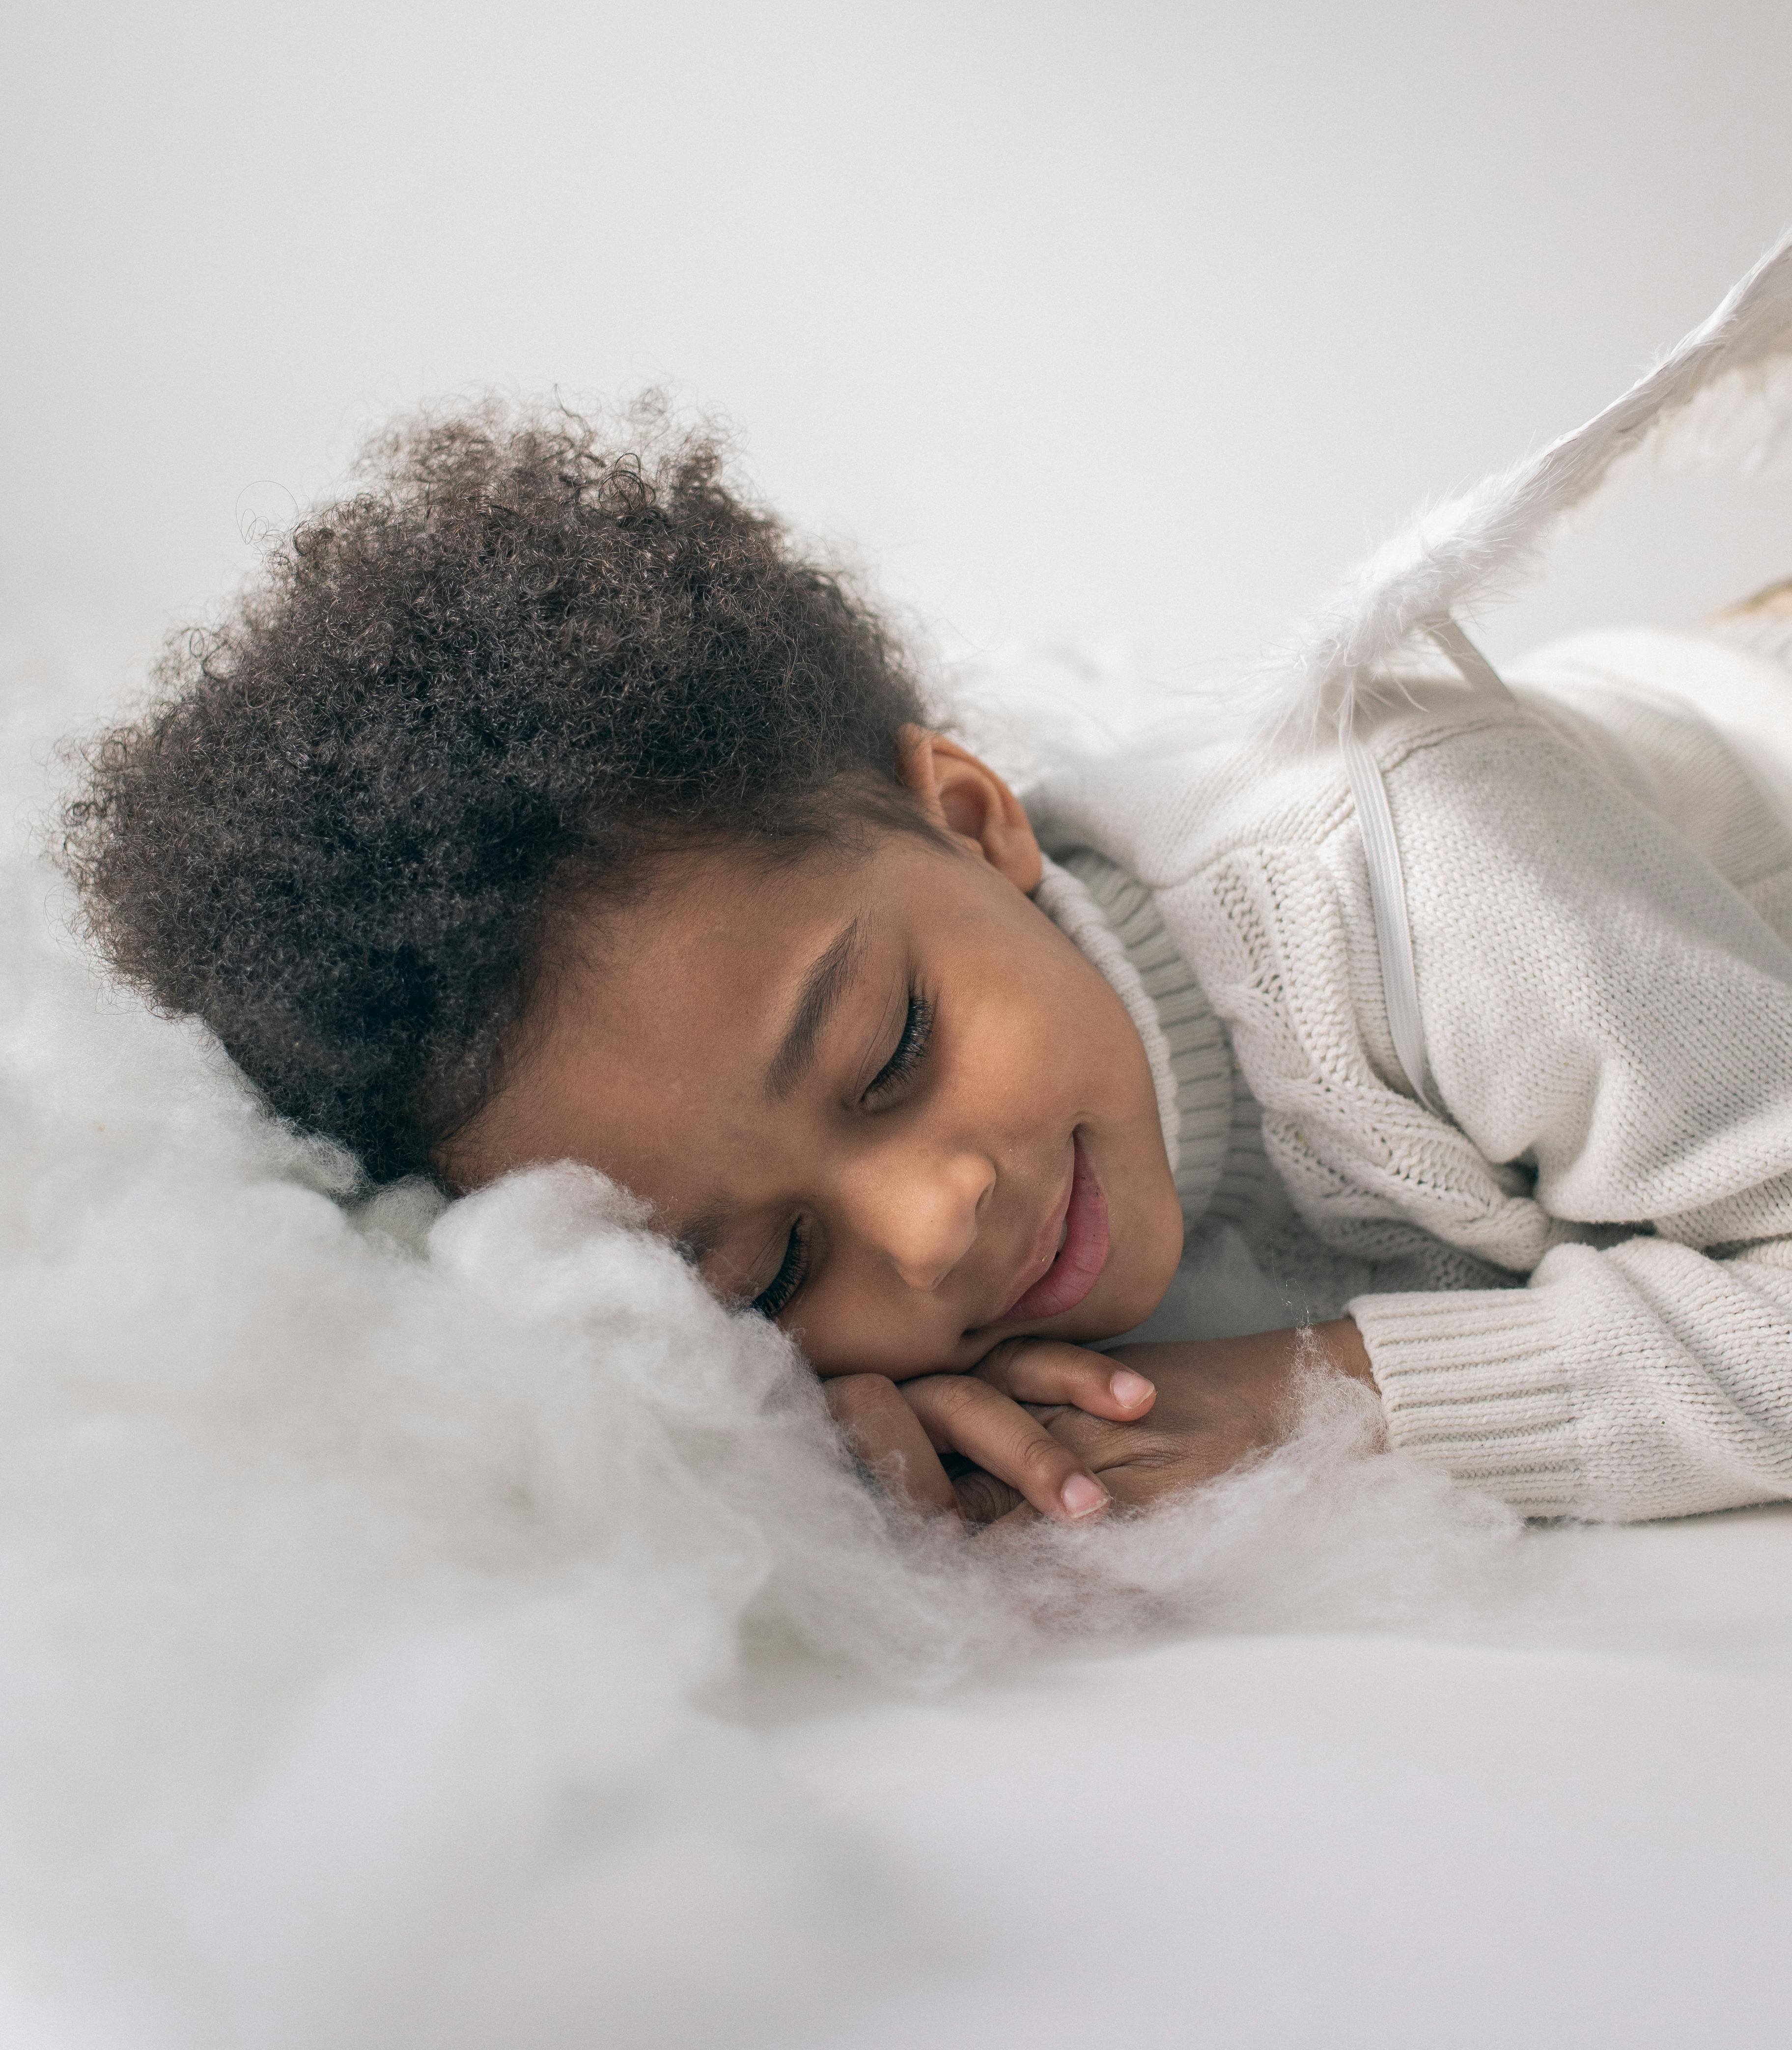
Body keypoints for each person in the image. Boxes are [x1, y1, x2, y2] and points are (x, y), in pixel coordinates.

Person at [60, 255, 1792, 1532]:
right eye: (767, 1269)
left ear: (971, 812)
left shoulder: (1422, 875)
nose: (934, 1225)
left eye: (892, 1053)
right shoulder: (903, 1222)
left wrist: (1310, 1393)